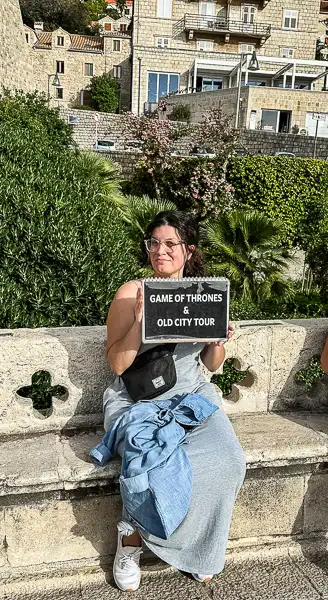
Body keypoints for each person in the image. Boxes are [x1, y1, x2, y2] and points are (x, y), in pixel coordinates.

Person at [103, 210, 246, 592]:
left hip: (192, 394)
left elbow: (210, 365)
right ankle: (130, 540)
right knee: (150, 460)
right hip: (138, 398)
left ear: (188, 250)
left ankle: (201, 549)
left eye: (170, 244)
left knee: (228, 461)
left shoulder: (205, 295)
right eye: (154, 243)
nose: (160, 251)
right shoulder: (132, 292)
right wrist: (139, 322)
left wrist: (218, 343)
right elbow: (117, 363)